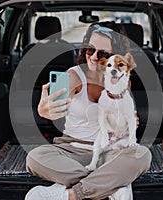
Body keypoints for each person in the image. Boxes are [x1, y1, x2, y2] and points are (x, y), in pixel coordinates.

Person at [25, 21, 152, 200]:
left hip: (110, 151)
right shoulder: (74, 76)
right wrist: (43, 109)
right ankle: (112, 185)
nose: (92, 57)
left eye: (102, 53)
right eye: (89, 49)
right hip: (72, 151)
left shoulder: (123, 80)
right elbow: (51, 104)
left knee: (143, 156)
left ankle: (68, 194)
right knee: (35, 158)